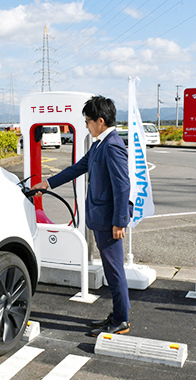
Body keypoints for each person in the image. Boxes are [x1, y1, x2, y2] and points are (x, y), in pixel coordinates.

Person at [31, 95, 131, 336]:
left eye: (88, 121)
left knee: (115, 270)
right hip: (101, 217)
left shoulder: (112, 145)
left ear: (101, 120)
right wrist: (48, 183)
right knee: (111, 269)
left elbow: (122, 186)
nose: (86, 125)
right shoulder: (99, 144)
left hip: (109, 221)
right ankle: (118, 315)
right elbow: (78, 167)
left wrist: (119, 222)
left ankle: (121, 320)